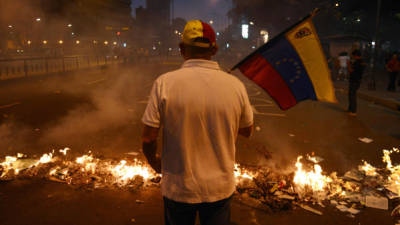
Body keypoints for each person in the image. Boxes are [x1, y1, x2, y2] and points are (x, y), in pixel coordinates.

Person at [141, 20, 254, 225]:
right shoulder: (235, 86)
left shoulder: (164, 83)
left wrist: (156, 164)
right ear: (215, 49)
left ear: (182, 49)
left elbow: (148, 138)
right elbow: (247, 130)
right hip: (219, 188)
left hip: (178, 188)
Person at [347, 49, 365, 116]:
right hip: (357, 80)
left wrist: (348, 64)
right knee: (351, 94)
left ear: (356, 55)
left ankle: (353, 111)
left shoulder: (357, 62)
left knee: (352, 95)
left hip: (354, 81)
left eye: (353, 56)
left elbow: (351, 71)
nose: (352, 57)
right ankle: (350, 109)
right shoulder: (361, 62)